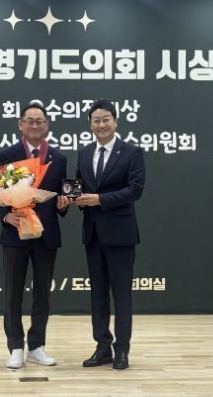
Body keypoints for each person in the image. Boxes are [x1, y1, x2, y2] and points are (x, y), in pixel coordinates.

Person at [0, 101, 70, 369]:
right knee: (13, 294)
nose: (35, 125)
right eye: (30, 121)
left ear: (47, 125)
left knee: (42, 294)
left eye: (40, 121)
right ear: (20, 124)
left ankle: (37, 346)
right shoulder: (8, 154)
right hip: (15, 234)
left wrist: (64, 204)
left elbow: (62, 194)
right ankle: (15, 347)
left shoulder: (58, 158)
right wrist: (5, 216)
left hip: (46, 235)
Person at [74, 99, 145, 370]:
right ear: (90, 124)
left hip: (120, 234)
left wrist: (99, 200)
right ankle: (102, 346)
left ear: (115, 121)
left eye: (106, 119)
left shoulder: (131, 152)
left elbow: (135, 190)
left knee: (122, 294)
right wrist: (71, 198)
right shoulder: (84, 153)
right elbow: (78, 186)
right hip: (93, 234)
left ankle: (122, 349)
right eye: (96, 120)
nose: (101, 124)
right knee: (98, 294)